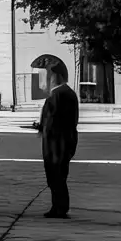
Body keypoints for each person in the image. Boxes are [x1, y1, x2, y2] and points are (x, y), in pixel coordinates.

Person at [38, 59, 80, 218]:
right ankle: (57, 206)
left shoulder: (59, 94)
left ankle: (60, 208)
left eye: (49, 75)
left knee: (56, 174)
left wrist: (44, 127)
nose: (47, 79)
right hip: (60, 139)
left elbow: (54, 118)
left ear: (56, 76)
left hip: (57, 141)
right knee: (57, 174)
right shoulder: (64, 93)